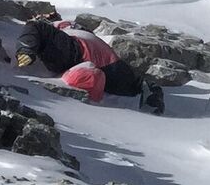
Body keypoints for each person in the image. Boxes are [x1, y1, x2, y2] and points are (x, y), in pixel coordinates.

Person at [15, 18, 164, 114]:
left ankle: (81, 75)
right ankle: (83, 76)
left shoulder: (60, 26)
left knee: (36, 27)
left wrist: (26, 48)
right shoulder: (83, 31)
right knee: (135, 84)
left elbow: (35, 27)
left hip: (77, 47)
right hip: (109, 61)